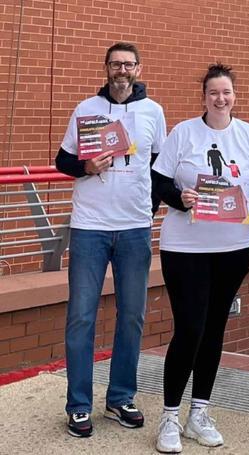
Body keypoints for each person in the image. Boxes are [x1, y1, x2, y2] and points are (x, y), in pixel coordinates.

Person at [151, 63, 249, 453]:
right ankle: (169, 416)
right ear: (203, 96)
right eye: (214, 92)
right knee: (190, 328)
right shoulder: (184, 132)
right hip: (186, 247)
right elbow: (160, 180)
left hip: (233, 246)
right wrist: (179, 200)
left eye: (227, 92)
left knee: (215, 328)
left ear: (235, 96)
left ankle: (198, 413)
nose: (221, 98)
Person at [55, 42, 166, 438]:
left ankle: (120, 397)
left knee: (132, 317)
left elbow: (160, 168)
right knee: (81, 316)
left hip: (134, 229)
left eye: (129, 64)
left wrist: (148, 209)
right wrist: (84, 166)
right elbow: (62, 160)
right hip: (89, 227)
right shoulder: (86, 109)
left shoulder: (153, 111)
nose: (122, 70)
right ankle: (79, 405)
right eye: (116, 64)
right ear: (106, 68)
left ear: (138, 68)